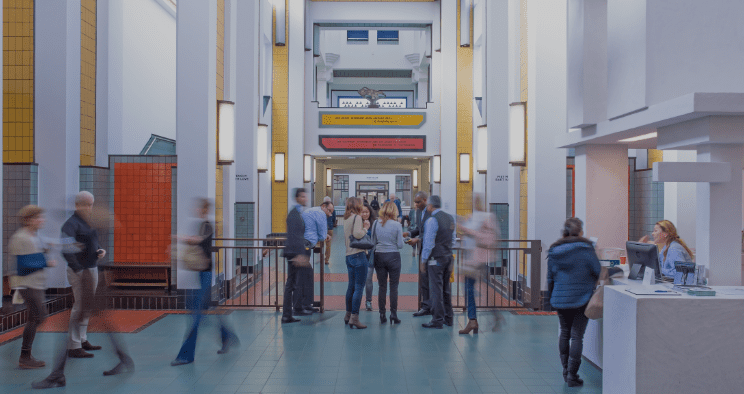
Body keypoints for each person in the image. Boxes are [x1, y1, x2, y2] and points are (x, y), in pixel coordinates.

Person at [171, 199, 239, 365]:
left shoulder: (208, 225)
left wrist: (180, 238)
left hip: (206, 275)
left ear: (205, 209)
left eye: (200, 207)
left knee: (196, 316)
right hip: (201, 275)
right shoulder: (203, 225)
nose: (197, 210)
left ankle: (186, 355)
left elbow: (198, 241)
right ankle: (227, 337)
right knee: (204, 310)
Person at [546, 217, 600, 387]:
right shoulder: (587, 248)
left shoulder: (555, 250)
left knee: (565, 333)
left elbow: (550, 277)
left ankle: (565, 371)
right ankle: (572, 375)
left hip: (560, 297)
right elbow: (597, 271)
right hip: (582, 298)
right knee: (577, 336)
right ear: (581, 231)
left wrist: (551, 297)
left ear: (565, 231)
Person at [7, 206, 55, 369]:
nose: (42, 220)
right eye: (38, 217)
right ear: (28, 219)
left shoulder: (34, 236)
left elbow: (32, 257)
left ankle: (25, 355)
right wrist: (45, 262)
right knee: (38, 317)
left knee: (35, 318)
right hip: (27, 284)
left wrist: (45, 250)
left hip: (35, 284)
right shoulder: (20, 237)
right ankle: (24, 356)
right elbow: (24, 265)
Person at [61, 191, 105, 358]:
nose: (89, 208)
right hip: (79, 271)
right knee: (79, 306)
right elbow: (66, 248)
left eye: (91, 204)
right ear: (77, 205)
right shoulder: (70, 224)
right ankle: (73, 345)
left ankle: (82, 338)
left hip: (91, 268)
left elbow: (92, 242)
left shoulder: (88, 223)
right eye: (85, 204)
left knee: (86, 306)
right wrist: (77, 268)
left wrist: (100, 251)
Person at [457, 194, 499, 335]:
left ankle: (474, 319)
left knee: (470, 288)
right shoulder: (476, 217)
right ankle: (484, 317)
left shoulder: (485, 218)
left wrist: (465, 229)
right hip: (475, 259)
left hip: (478, 260)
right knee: (472, 288)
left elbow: (481, 236)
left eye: (474, 201)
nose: (473, 203)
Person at [420, 195, 456, 329]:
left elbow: (428, 243)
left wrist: (423, 260)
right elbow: (453, 239)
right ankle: (449, 317)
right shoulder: (450, 218)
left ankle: (437, 319)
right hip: (448, 256)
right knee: (446, 288)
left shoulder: (432, 220)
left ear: (430, 206)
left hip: (436, 258)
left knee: (436, 289)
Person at [281, 188, 312, 324]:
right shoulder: (294, 215)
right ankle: (290, 312)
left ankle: (291, 312)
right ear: (297, 198)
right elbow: (294, 236)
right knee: (291, 284)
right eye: (303, 197)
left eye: (306, 196)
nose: (306, 199)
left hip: (294, 252)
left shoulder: (297, 213)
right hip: (294, 253)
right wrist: (299, 254)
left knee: (292, 283)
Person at [296, 201, 332, 314]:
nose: (330, 214)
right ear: (323, 207)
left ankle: (306, 304)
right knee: (304, 276)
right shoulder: (320, 213)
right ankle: (300, 306)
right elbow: (321, 235)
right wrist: (324, 236)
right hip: (304, 246)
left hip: (301, 245)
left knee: (305, 275)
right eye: (329, 210)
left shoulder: (312, 211)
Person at [372, 202, 404, 324]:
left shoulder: (376, 223)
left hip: (379, 256)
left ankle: (382, 314)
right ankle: (394, 314)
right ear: (394, 211)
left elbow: (373, 242)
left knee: (382, 286)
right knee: (394, 287)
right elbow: (400, 245)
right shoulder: (397, 225)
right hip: (394, 257)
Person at [404, 191, 432, 316]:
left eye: (418, 202)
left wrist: (418, 240)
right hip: (423, 251)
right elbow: (420, 230)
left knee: (433, 281)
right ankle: (426, 306)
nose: (416, 204)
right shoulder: (420, 212)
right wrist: (409, 234)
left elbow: (431, 234)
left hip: (432, 252)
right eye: (415, 202)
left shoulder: (432, 213)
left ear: (425, 200)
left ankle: (434, 307)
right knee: (424, 280)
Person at [343, 197, 369, 329]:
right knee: (359, 287)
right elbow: (358, 234)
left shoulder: (346, 218)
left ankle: (348, 315)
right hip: (359, 254)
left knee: (351, 287)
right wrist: (366, 228)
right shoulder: (357, 218)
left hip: (349, 255)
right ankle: (355, 318)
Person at [362, 203, 378, 311]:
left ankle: (368, 301)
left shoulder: (374, 224)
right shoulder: (356, 223)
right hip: (359, 254)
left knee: (368, 279)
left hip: (371, 255)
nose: (365, 214)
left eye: (367, 212)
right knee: (357, 281)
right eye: (362, 212)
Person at [323, 196, 336, 265]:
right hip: (330, 228)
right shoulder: (332, 209)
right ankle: (326, 259)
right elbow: (334, 218)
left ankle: (321, 257)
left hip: (323, 229)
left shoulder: (322, 209)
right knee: (328, 245)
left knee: (321, 244)